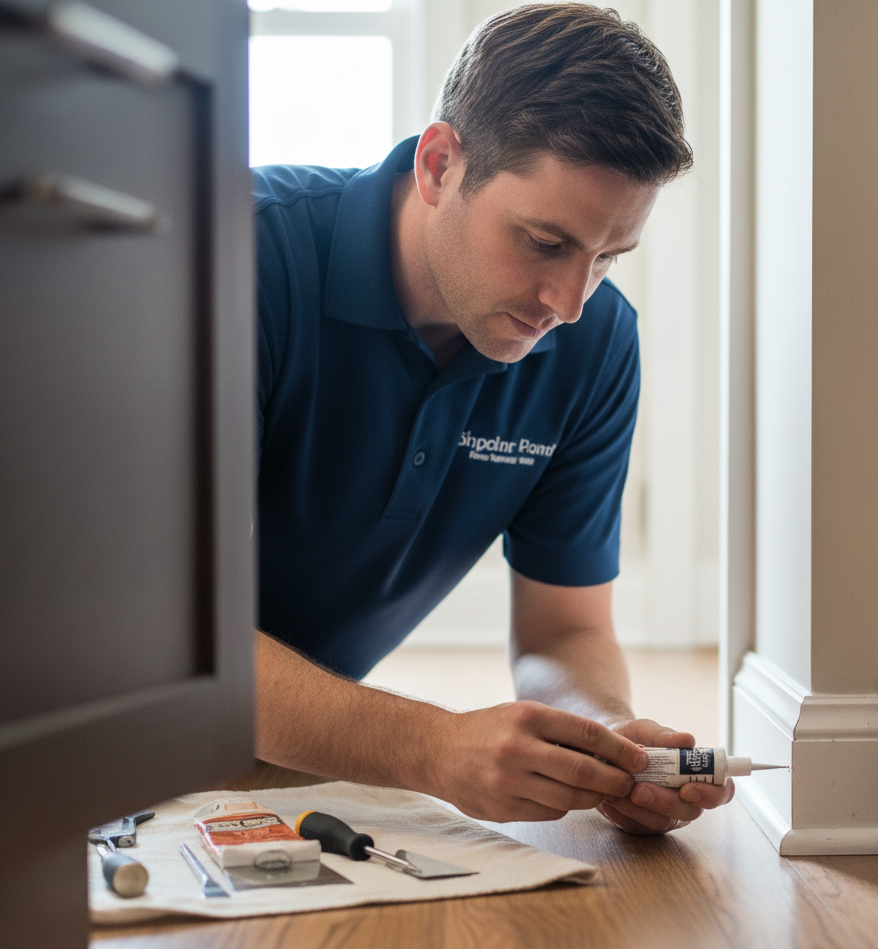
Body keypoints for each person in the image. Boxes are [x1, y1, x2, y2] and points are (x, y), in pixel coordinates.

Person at [253, 2, 734, 835]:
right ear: (439, 165)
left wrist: (604, 738)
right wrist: (433, 748)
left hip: (276, 761)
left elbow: (563, 631)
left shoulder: (597, 346)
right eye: (545, 242)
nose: (570, 303)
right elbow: (152, 647)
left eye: (608, 257)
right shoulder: (240, 262)